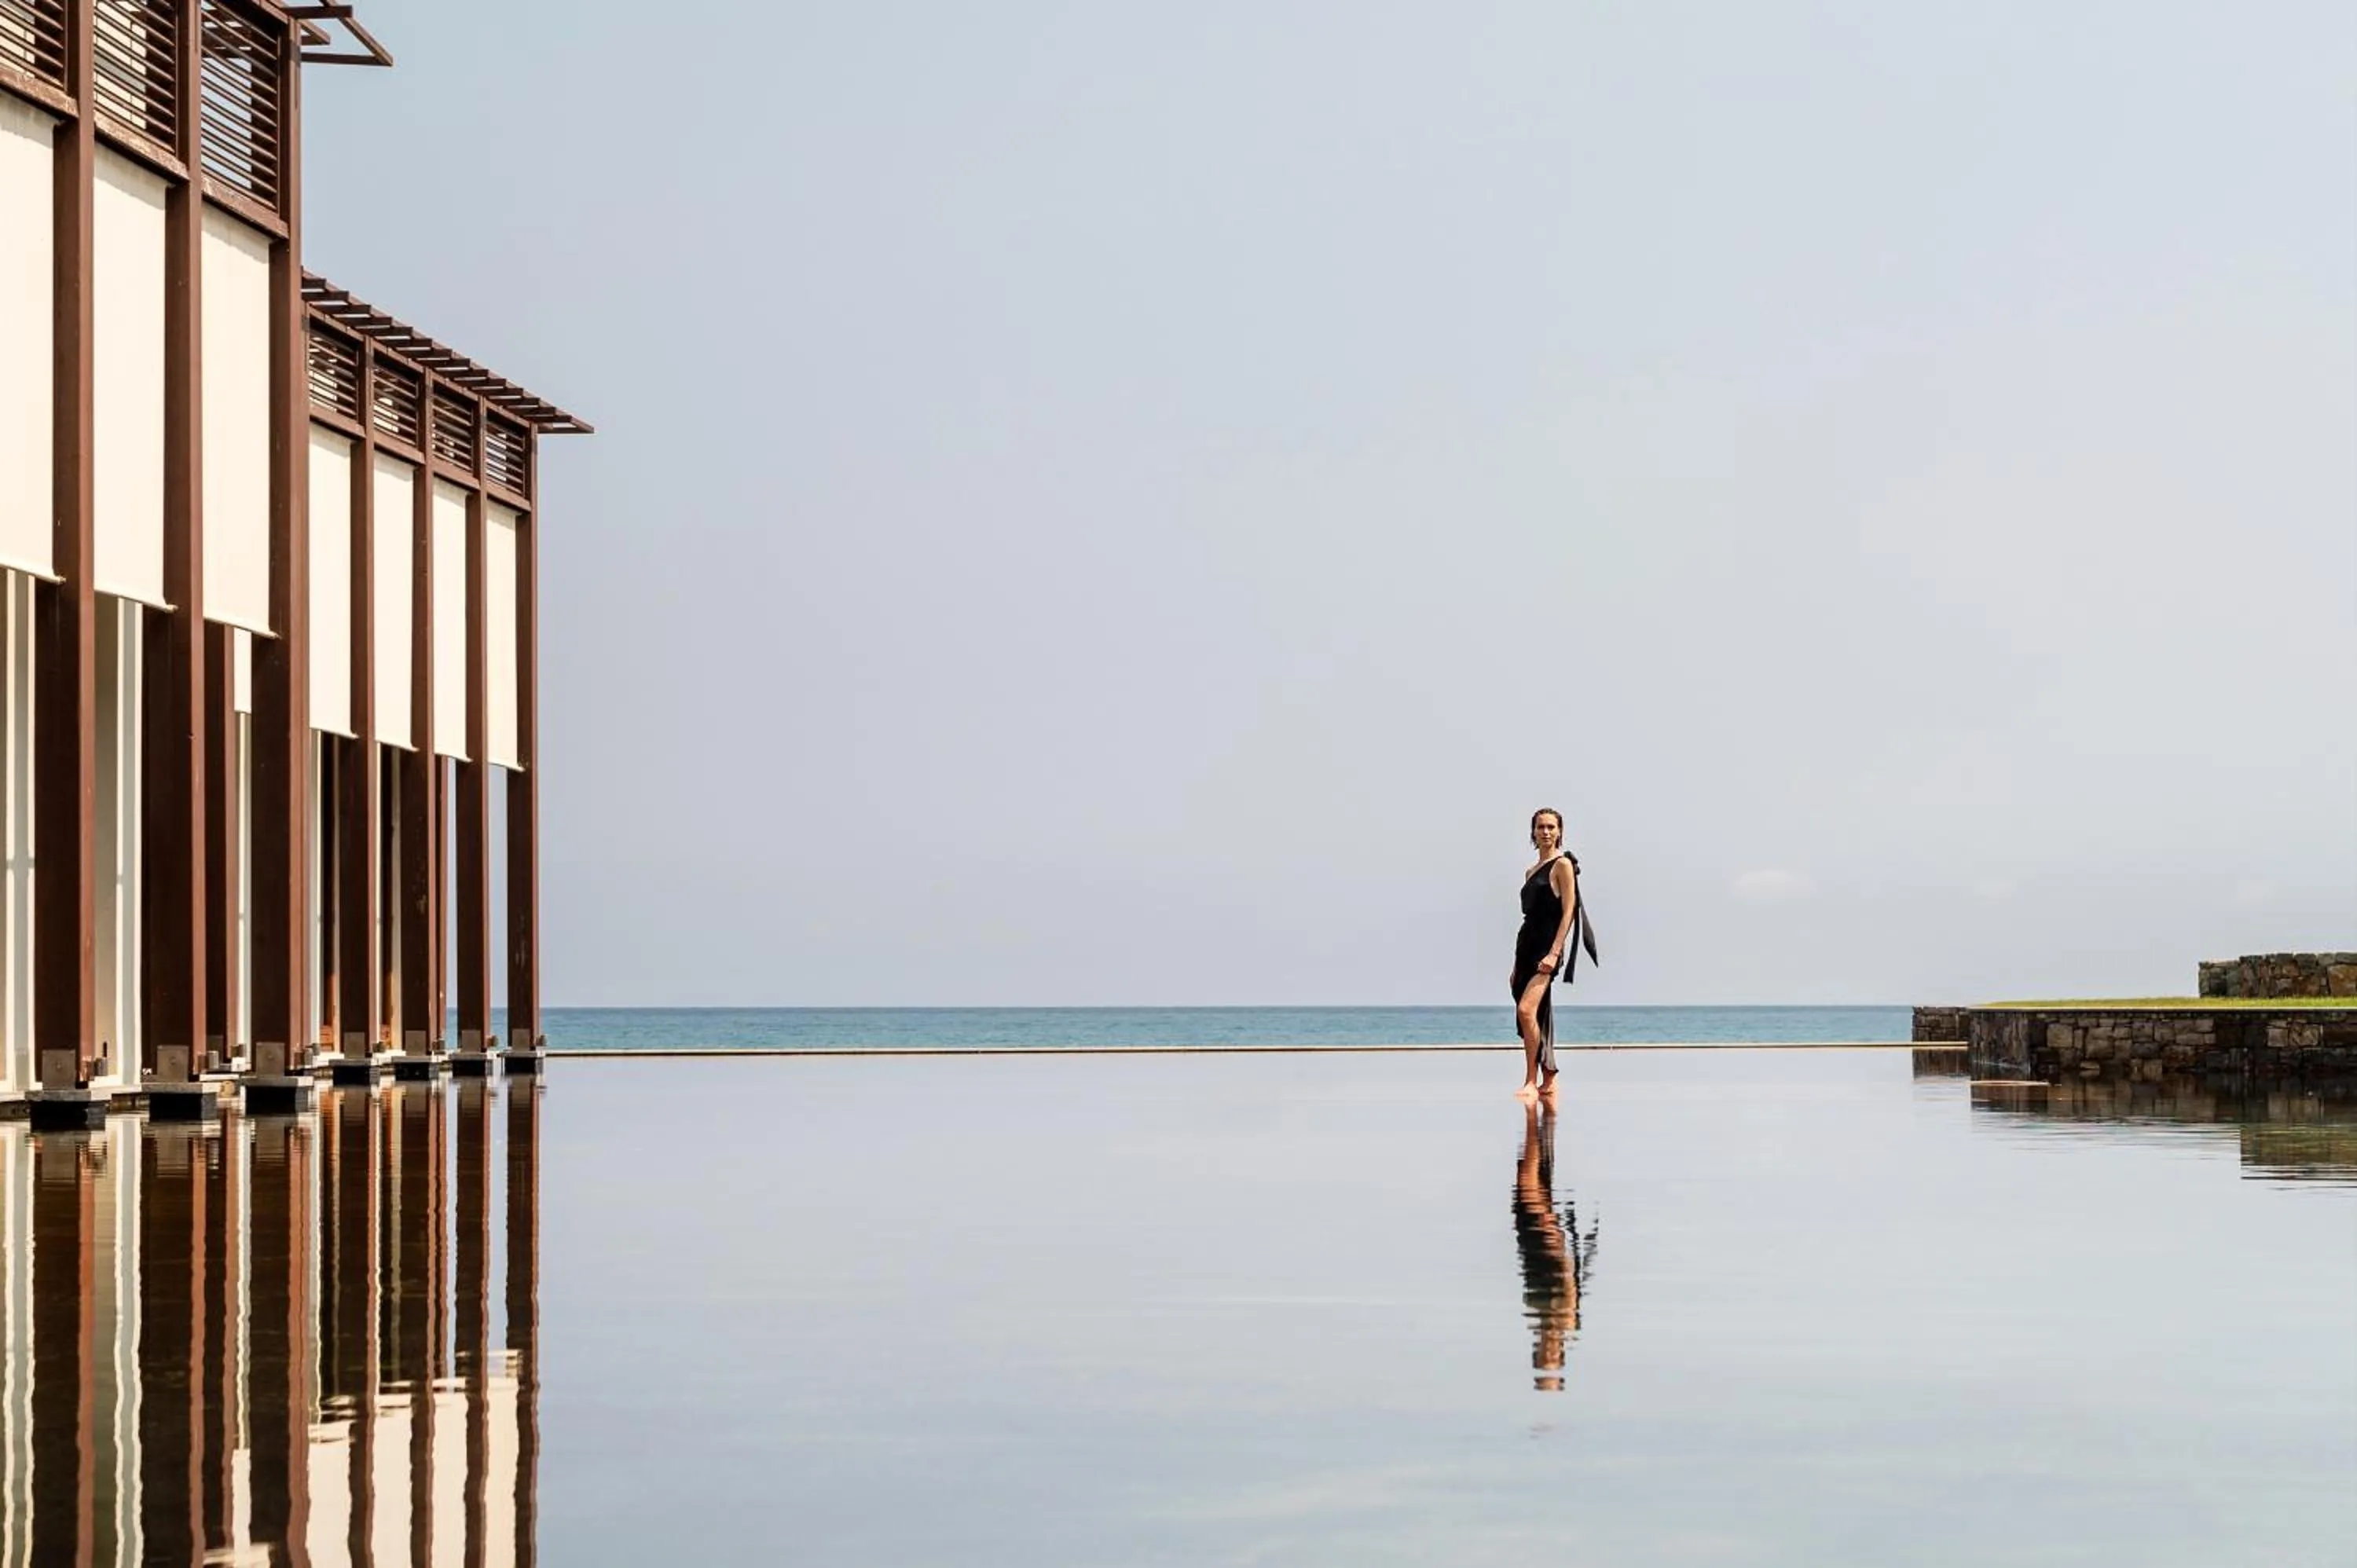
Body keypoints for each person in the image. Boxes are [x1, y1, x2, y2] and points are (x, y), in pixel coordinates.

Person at [1511, 808, 1580, 1102]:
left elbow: (1569, 911)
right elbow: (1529, 919)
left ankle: (1530, 1080)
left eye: (1551, 827)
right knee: (1537, 1014)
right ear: (1533, 832)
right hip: (1525, 947)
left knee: (1526, 1011)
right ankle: (1549, 1077)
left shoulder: (1562, 865)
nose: (1546, 832)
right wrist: (1515, 965)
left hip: (1546, 950)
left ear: (1560, 831)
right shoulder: (1530, 871)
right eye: (1541, 827)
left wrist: (1555, 952)